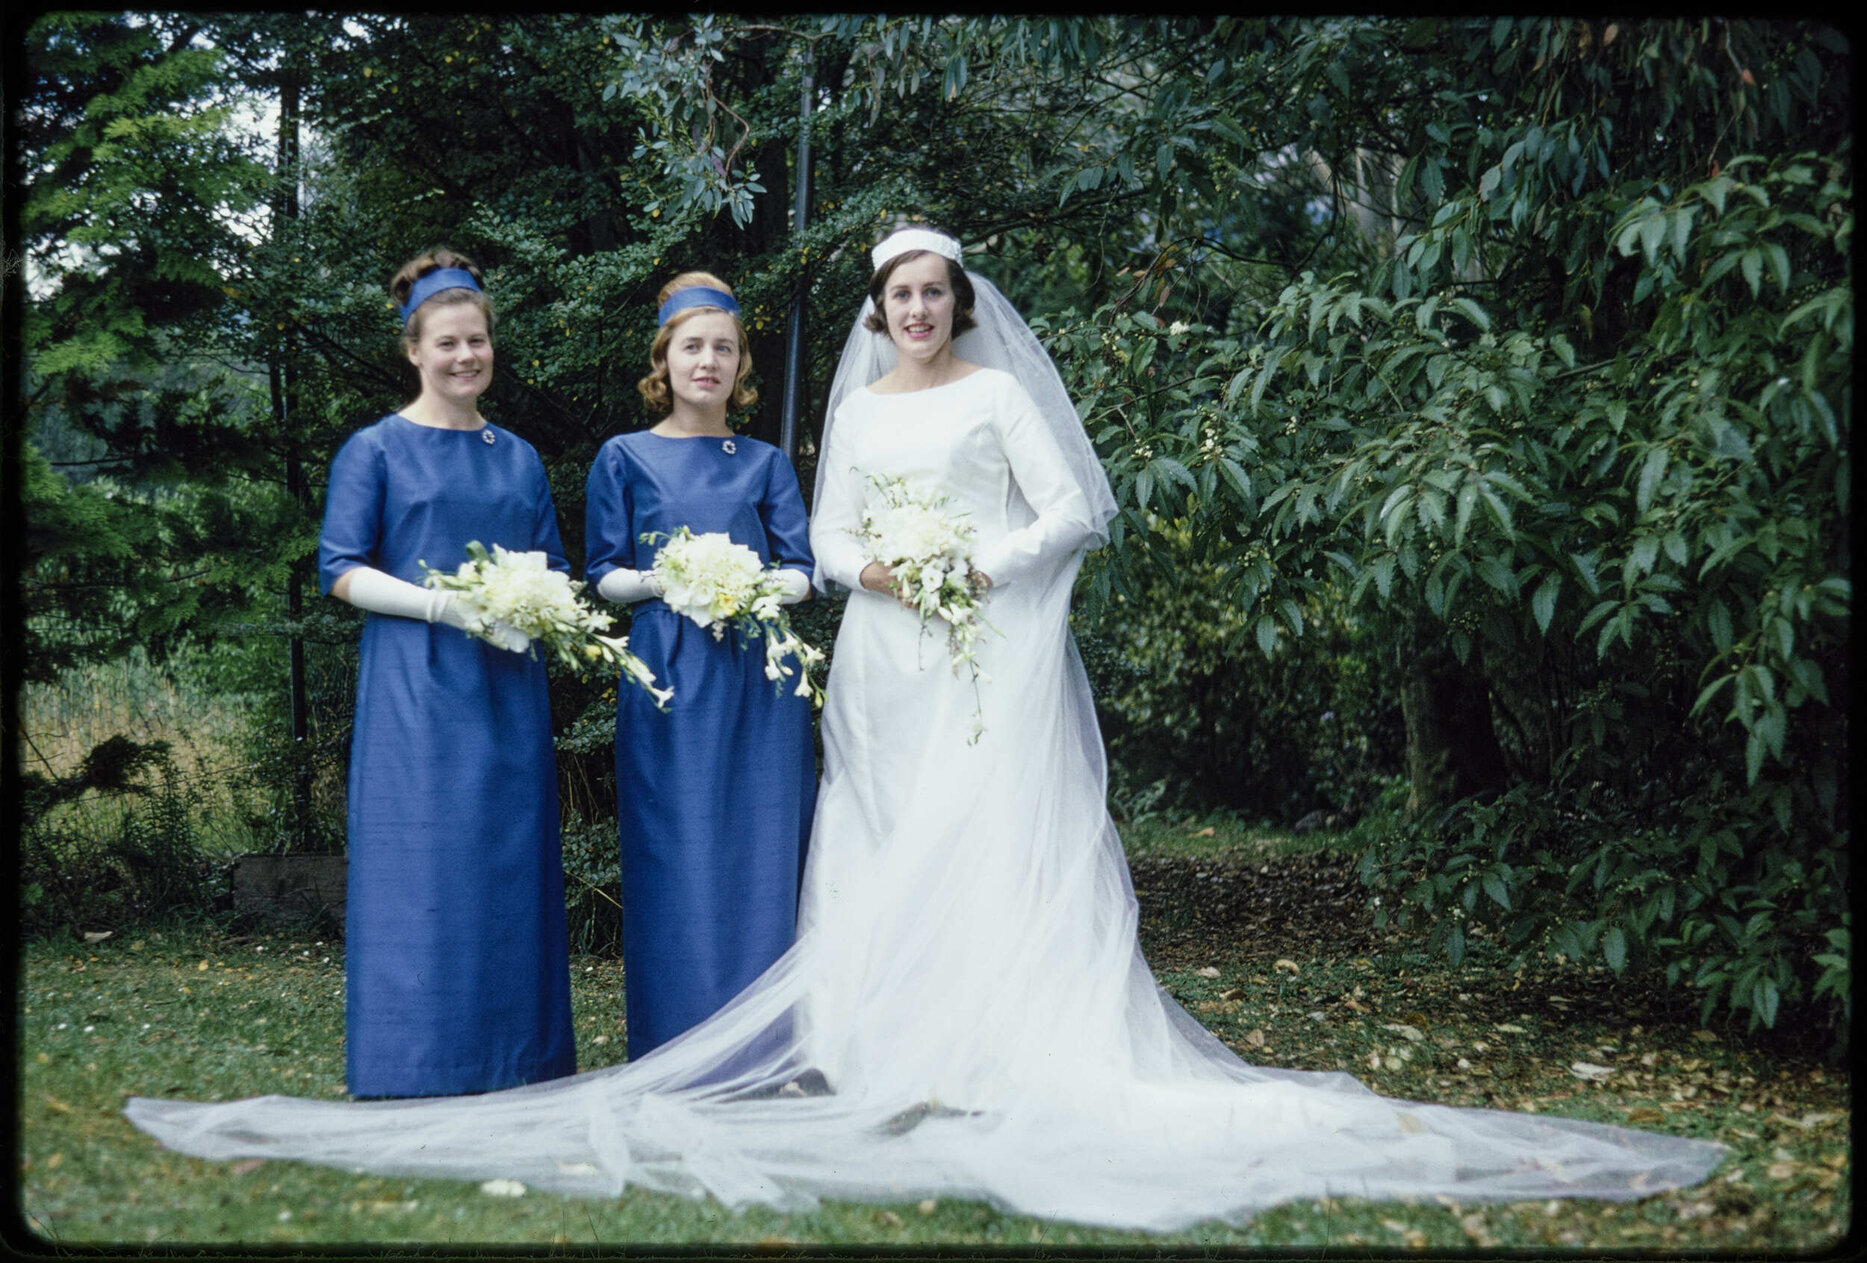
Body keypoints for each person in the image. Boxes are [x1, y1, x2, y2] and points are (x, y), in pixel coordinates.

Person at [124, 229, 1722, 1231]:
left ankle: (966, 1045)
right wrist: (755, 575)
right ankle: (859, 1039)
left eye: (927, 291)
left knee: (981, 836)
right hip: (857, 654)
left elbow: (1023, 513)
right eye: (895, 292)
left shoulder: (963, 397)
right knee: (879, 836)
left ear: (951, 303)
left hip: (958, 645)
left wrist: (968, 566)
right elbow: (824, 545)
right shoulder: (767, 424)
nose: (910, 308)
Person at [309, 249, 575, 1097]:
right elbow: (339, 568)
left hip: (507, 687)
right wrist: (441, 606)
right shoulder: (375, 450)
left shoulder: (518, 456)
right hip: (416, 688)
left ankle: (517, 1062)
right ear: (414, 350)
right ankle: (415, 1062)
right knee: (424, 866)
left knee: (506, 866)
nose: (466, 356)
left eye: (477, 341)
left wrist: (537, 605)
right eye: (448, 343)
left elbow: (555, 566)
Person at [583, 272, 816, 1058]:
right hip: (668, 672)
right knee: (676, 843)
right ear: (664, 359)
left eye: (723, 348)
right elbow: (604, 573)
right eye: (692, 347)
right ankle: (675, 1040)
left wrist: (747, 582)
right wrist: (673, 581)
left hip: (759, 673)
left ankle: (766, 1046)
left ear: (742, 363)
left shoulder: (764, 462)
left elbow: (800, 571)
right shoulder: (624, 456)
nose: (707, 361)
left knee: (762, 845)